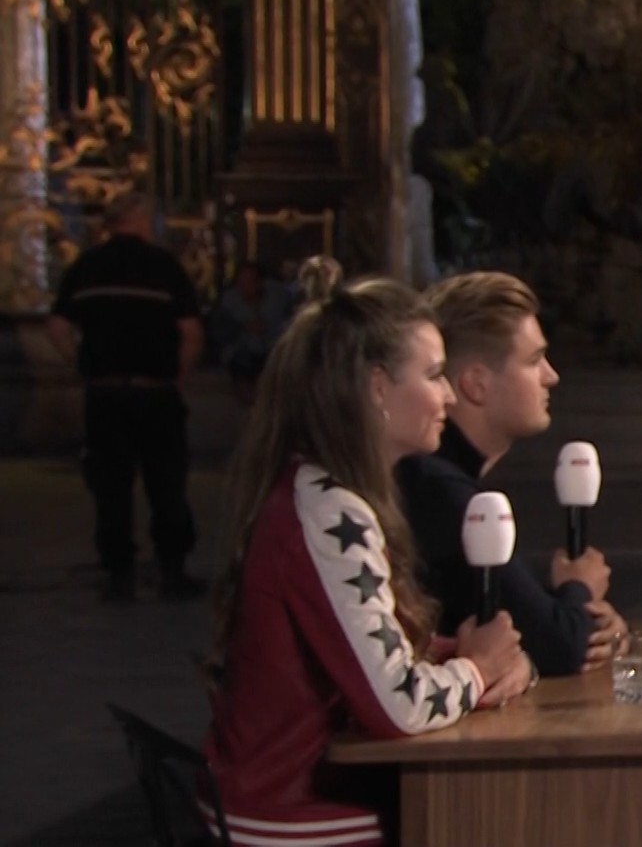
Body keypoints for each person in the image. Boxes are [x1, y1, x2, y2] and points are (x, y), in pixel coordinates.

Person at [204, 258, 531, 846]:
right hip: (287, 812)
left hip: (280, 795)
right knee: (497, 822)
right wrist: (479, 670)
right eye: (434, 374)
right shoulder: (330, 512)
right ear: (379, 388)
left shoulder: (319, 491)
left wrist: (470, 655)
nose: (448, 395)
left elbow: (368, 652)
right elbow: (400, 706)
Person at [397, 272, 626, 677]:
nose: (551, 376)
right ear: (477, 384)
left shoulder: (443, 479)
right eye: (534, 361)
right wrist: (579, 587)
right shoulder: (438, 489)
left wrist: (592, 619)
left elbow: (528, 619)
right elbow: (560, 646)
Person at [47, 190, 206, 601]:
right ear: (141, 220)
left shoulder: (87, 267)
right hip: (156, 392)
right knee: (166, 482)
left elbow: (58, 328)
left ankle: (119, 572)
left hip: (105, 394)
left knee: (111, 485)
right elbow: (190, 333)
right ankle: (171, 568)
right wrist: (178, 379)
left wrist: (82, 366)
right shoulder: (164, 267)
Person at [210, 260, 293, 407]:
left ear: (261, 282)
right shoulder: (229, 303)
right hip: (241, 353)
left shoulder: (278, 298)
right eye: (240, 282)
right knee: (241, 362)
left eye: (249, 281)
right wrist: (242, 327)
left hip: (273, 352)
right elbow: (219, 334)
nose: (244, 286)